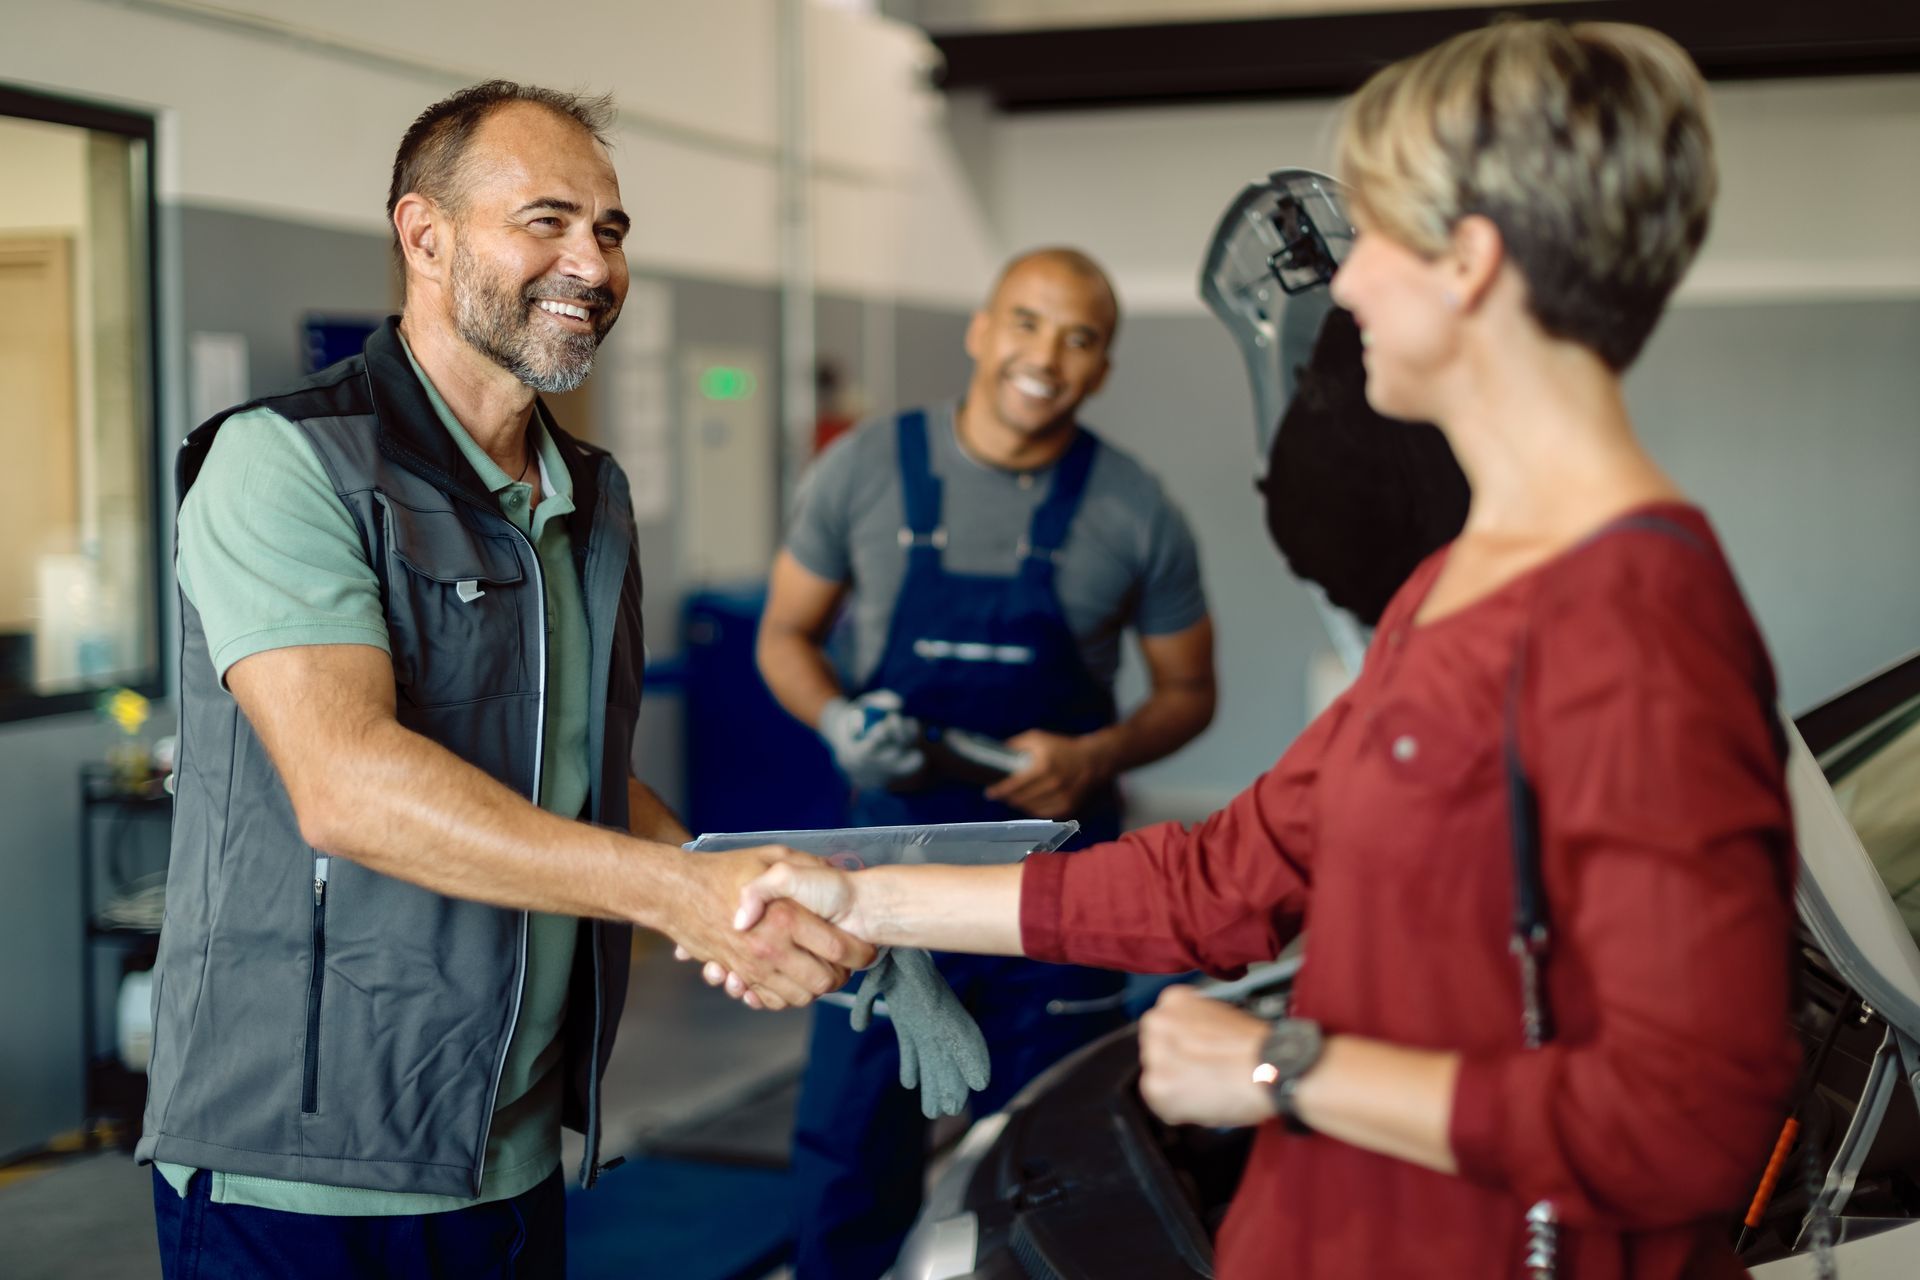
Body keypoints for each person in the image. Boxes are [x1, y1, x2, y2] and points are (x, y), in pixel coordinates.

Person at [726, 21, 1802, 1280]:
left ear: (1471, 262)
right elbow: (1224, 880)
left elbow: (1687, 1121)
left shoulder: (1637, 623)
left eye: (1382, 238)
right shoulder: (1452, 588)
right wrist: (861, 897)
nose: (1347, 287)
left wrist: (1285, 1065)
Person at [139, 81, 870, 1280]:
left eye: (612, 228)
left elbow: (576, 766)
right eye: (546, 220)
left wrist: (755, 910)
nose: (592, 260)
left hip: (511, 1151)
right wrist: (668, 895)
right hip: (305, 1166)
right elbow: (349, 787)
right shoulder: (283, 462)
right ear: (424, 236)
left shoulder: (592, 494)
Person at [755, 246, 1218, 1279]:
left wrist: (1098, 750)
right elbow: (784, 635)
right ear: (980, 328)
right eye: (1025, 321)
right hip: (875, 887)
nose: (1045, 355)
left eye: (1080, 337)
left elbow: (1191, 692)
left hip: (1054, 893)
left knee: (1059, 1157)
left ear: (1102, 367)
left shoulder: (1135, 509)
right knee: (846, 1156)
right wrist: (835, 718)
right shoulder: (864, 469)